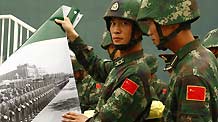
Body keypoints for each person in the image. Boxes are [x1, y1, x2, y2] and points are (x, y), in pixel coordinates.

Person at [55, 0, 154, 121]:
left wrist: (85, 120)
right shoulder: (123, 65)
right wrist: (72, 36)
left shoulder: (135, 73)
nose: (116, 30)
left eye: (124, 23)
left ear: (138, 28)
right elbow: (96, 66)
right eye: (113, 23)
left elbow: (110, 118)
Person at [137, 0, 218, 121]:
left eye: (151, 24)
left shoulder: (191, 73)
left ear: (171, 21)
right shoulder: (201, 56)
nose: (149, 32)